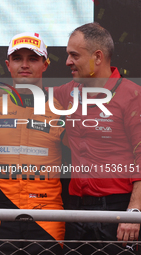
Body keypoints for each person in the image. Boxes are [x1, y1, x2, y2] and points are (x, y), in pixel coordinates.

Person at [0, 32, 67, 254]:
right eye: (18, 58)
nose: (25, 65)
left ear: (45, 64)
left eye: (33, 59)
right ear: (8, 64)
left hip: (48, 216)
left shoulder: (61, 108)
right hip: (2, 213)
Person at [51, 22, 141, 254]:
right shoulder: (69, 91)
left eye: (74, 55)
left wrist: (135, 211)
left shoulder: (132, 94)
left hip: (119, 209)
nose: (68, 62)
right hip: (76, 209)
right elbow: (31, 92)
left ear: (97, 57)